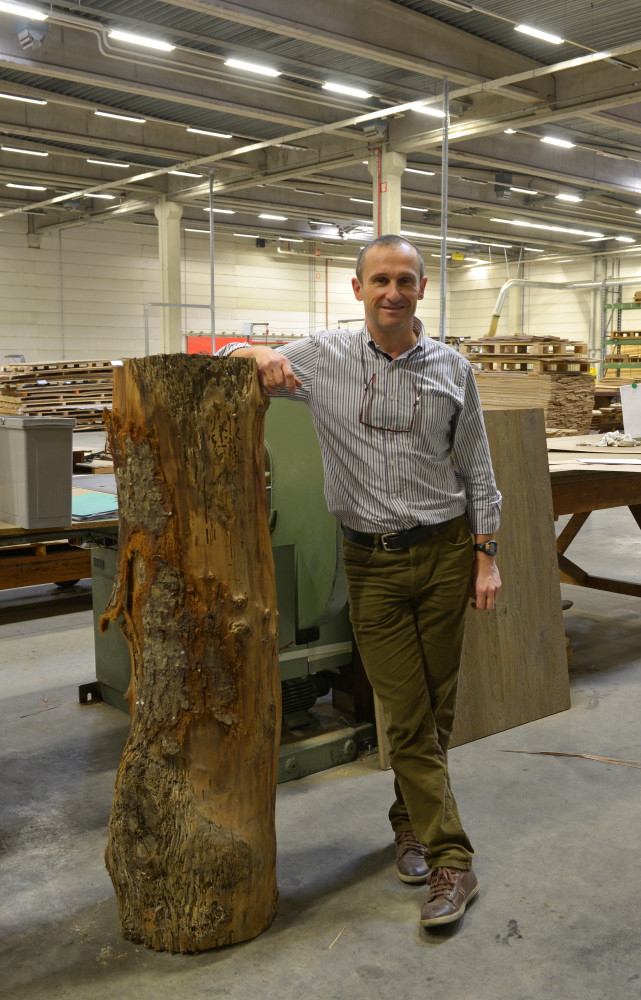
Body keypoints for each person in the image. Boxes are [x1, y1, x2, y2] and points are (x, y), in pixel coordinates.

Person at [217, 234, 502, 929]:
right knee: (404, 713)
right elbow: (228, 359)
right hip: (370, 563)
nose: (392, 293)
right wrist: (254, 353)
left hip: (442, 555)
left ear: (422, 290)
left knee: (434, 710)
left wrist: (485, 555)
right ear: (357, 289)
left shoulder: (451, 368)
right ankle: (451, 860)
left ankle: (407, 824)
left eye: (405, 280)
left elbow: (478, 470)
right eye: (379, 280)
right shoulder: (326, 355)